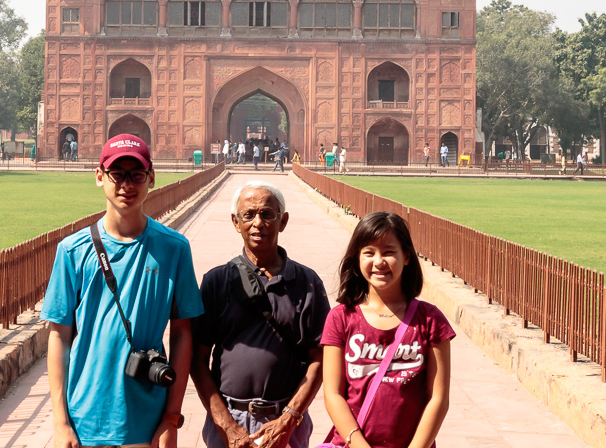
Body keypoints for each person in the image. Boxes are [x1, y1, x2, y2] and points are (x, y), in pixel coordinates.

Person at [41, 134, 203, 448]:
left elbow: (183, 334)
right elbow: (59, 335)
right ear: (100, 177)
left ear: (151, 178)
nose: (127, 185)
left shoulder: (173, 249)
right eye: (117, 174)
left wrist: (171, 418)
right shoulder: (73, 250)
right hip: (85, 417)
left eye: (137, 175)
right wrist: (60, 423)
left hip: (148, 420)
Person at [192, 181, 330, 448]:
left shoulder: (306, 282)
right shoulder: (217, 281)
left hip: (286, 418)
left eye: (267, 214)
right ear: (236, 222)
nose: (258, 223)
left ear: (283, 221)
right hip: (228, 417)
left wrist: (288, 420)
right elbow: (197, 361)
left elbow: (320, 358)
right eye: (249, 215)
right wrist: (227, 425)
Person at [321, 212, 454, 448]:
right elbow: (333, 394)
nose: (379, 261)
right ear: (357, 258)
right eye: (369, 252)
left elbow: (438, 398)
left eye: (389, 252)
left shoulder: (430, 320)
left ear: (406, 257)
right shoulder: (341, 318)